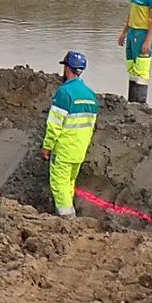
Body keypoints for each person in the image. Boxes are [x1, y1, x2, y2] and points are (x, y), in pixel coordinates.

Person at [41, 50, 100, 218]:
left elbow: (54, 124)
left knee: (59, 183)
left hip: (63, 149)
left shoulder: (64, 93)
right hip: (79, 150)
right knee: (69, 183)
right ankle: (69, 212)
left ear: (67, 68)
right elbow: (91, 126)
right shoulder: (90, 95)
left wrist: (47, 146)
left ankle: (66, 217)